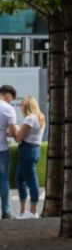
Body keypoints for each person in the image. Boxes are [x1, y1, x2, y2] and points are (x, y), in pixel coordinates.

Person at [15, 96, 45, 219]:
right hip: (34, 150)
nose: (20, 107)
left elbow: (18, 138)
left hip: (27, 151)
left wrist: (14, 131)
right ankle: (24, 211)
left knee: (31, 181)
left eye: (21, 104)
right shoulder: (40, 117)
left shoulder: (29, 118)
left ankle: (32, 212)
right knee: (20, 179)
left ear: (26, 106)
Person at [0, 85, 18, 220]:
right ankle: (5, 212)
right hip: (2, 149)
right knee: (3, 180)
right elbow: (12, 132)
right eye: (11, 99)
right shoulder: (9, 109)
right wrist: (7, 132)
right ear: (8, 96)